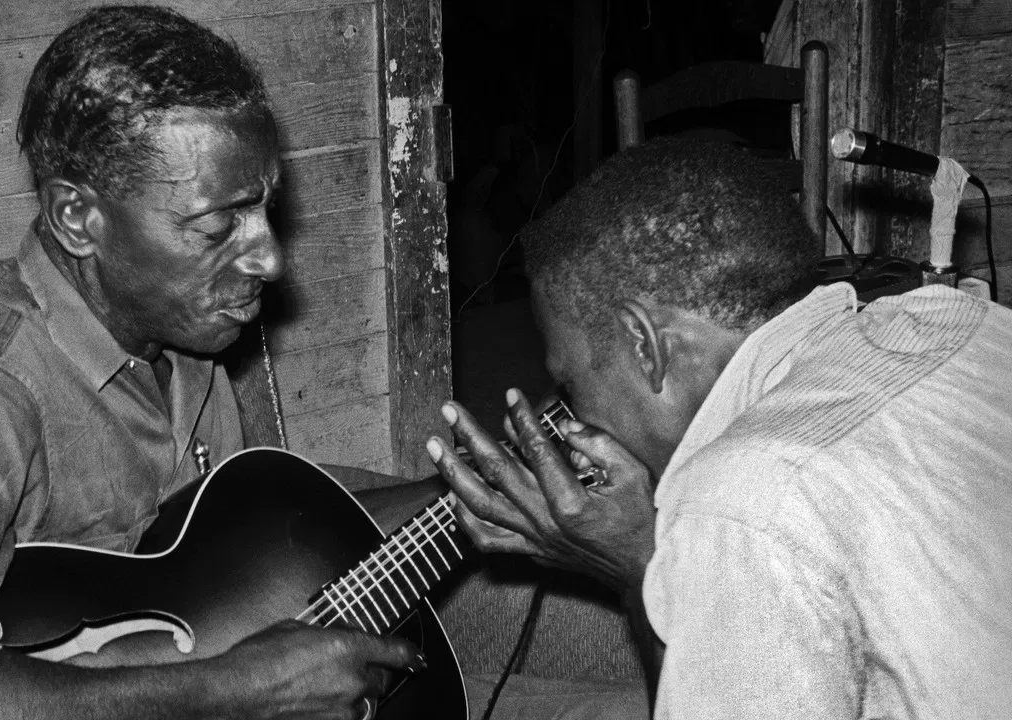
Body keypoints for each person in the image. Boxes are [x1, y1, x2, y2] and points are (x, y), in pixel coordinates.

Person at [0, 6, 439, 718]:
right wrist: (230, 693)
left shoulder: (187, 341)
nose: (270, 256)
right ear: (77, 219)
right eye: (219, 225)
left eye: (266, 210)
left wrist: (463, 499)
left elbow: (239, 570)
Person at [427, 137, 1012, 718]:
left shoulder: (741, 500)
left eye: (572, 386)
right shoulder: (960, 317)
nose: (573, 416)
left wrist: (636, 565)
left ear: (644, 343)